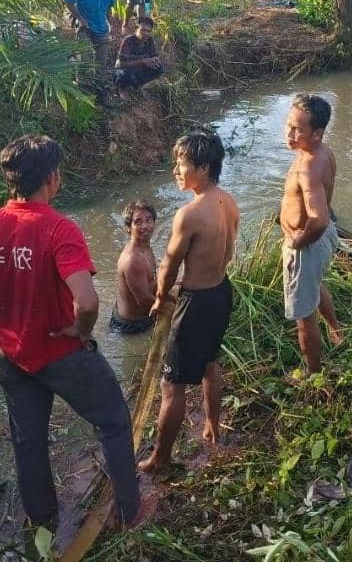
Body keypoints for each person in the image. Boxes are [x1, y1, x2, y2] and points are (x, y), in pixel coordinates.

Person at [0, 135, 143, 530]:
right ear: (53, 177)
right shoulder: (59, 230)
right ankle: (130, 512)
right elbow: (87, 302)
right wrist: (80, 330)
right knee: (114, 422)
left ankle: (42, 521)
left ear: (10, 179)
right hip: (62, 353)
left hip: (13, 356)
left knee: (29, 441)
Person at [139, 129, 239, 473]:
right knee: (210, 363)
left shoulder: (190, 213)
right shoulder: (228, 200)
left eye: (182, 165)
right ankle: (212, 425)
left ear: (205, 167)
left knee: (172, 384)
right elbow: (224, 254)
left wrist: (161, 297)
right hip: (221, 292)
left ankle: (160, 458)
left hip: (195, 303)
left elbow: (168, 265)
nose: (176, 172)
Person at [279, 93, 343, 376]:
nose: (290, 134)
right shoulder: (322, 152)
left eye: (298, 129)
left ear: (317, 133)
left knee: (304, 318)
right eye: (289, 125)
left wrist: (297, 242)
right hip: (324, 238)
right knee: (314, 286)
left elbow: (318, 219)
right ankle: (337, 331)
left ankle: (312, 373)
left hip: (309, 244)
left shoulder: (307, 167)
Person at [111, 199, 158, 334]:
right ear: (128, 228)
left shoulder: (145, 246)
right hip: (131, 326)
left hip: (133, 314)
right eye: (138, 222)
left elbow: (151, 280)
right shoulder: (133, 260)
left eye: (149, 220)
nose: (145, 226)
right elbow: (143, 301)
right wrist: (173, 308)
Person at [64, 0, 118, 81]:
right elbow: (68, 1)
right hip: (85, 28)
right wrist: (80, 18)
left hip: (102, 28)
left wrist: (111, 25)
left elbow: (108, 8)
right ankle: (84, 88)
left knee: (101, 64)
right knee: (85, 60)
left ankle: (99, 89)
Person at [115, 17, 164, 93]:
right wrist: (143, 61)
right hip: (125, 71)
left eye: (148, 31)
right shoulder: (128, 41)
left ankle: (137, 86)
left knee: (159, 68)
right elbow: (119, 65)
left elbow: (153, 55)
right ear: (136, 29)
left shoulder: (149, 40)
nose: (146, 34)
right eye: (143, 30)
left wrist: (155, 59)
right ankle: (122, 89)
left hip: (138, 70)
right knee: (126, 75)